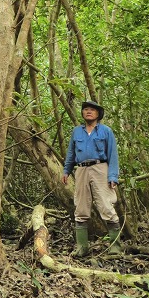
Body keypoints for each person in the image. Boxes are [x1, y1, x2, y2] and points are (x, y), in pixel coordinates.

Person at [62, 99, 122, 257]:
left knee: (106, 206)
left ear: (98, 114)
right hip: (81, 170)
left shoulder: (106, 131)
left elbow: (113, 155)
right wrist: (66, 171)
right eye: (86, 109)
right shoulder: (77, 131)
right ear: (82, 113)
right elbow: (71, 153)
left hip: (100, 168)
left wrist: (113, 176)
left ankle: (116, 247)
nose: (88, 111)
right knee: (80, 207)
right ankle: (82, 247)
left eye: (92, 110)